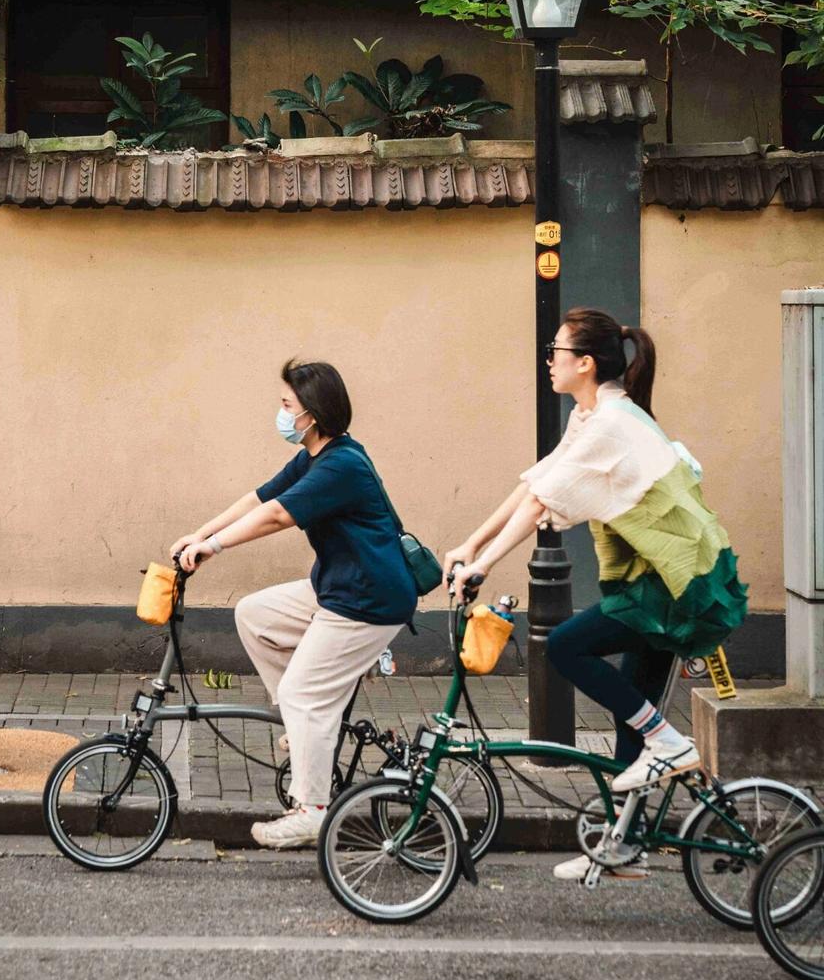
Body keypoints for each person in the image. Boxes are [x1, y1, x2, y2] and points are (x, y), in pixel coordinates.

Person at [441, 308, 747, 883]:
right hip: (662, 581)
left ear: (585, 363)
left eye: (555, 351)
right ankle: (633, 843)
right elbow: (537, 483)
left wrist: (480, 566)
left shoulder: (612, 423)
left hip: (679, 587)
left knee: (566, 647)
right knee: (634, 722)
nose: (549, 360)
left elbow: (539, 509)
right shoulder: (592, 415)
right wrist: (470, 542)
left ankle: (669, 746)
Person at [172, 359, 417, 850]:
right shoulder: (314, 457)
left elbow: (278, 516)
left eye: (287, 405)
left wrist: (213, 549)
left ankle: (312, 811)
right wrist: (201, 532)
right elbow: (260, 498)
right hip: (336, 586)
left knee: (305, 694)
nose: (281, 414)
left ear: (313, 414)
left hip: (368, 598)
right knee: (255, 615)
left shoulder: (342, 465)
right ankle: (307, 725)